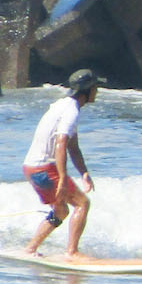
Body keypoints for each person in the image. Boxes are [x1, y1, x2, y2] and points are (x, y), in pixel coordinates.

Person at [23, 68, 102, 258]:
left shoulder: (62, 106)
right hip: (44, 168)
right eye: (96, 88)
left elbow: (73, 147)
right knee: (82, 204)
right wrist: (62, 178)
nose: (97, 92)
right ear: (88, 90)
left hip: (31, 167)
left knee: (60, 211)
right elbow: (61, 143)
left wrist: (84, 172)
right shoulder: (71, 110)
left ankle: (30, 249)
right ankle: (72, 252)